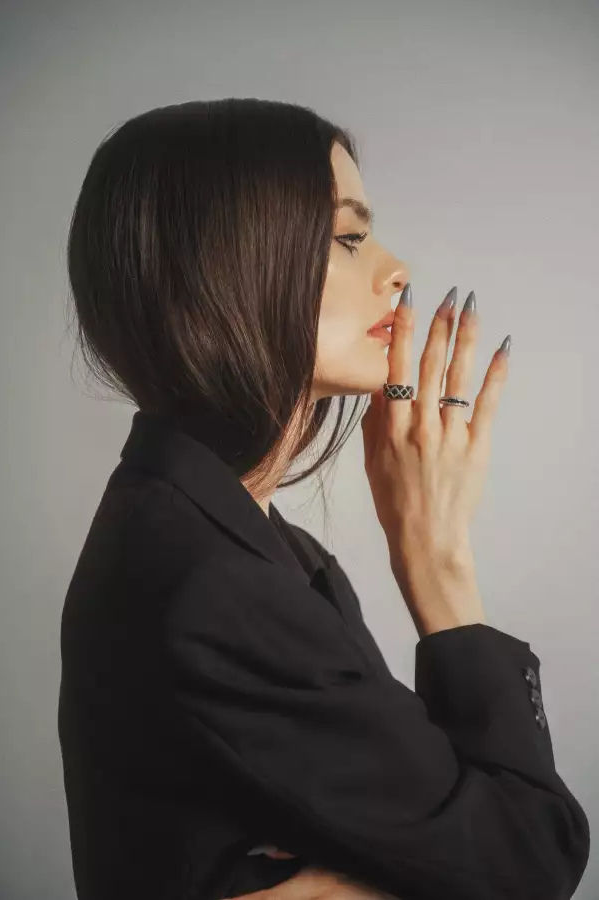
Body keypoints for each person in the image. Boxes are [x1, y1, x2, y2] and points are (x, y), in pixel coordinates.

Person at [58, 98, 590, 900]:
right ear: (228, 262)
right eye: (348, 238)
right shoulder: (213, 587)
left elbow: (450, 837)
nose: (396, 268)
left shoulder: (259, 546)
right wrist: (436, 554)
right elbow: (526, 861)